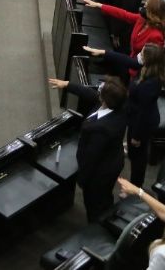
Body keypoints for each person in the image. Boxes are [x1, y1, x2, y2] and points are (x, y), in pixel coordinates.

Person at [47, 76, 127, 221]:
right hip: (113, 160)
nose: (98, 90)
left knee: (94, 205)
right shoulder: (118, 107)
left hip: (100, 173)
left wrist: (82, 180)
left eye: (101, 91)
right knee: (105, 197)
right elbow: (90, 94)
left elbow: (91, 158)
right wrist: (67, 84)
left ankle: (97, 231)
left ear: (105, 100)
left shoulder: (102, 129)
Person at [84, 43, 165, 187]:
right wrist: (102, 51)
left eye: (143, 53)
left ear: (149, 60)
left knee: (138, 157)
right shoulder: (147, 69)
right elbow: (126, 60)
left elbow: (143, 113)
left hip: (142, 124)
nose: (139, 54)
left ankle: (135, 187)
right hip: (135, 116)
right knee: (134, 150)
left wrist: (136, 136)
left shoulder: (150, 84)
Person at [80, 0, 165, 71]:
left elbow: (145, 64)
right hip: (130, 60)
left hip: (139, 71)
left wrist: (104, 53)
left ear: (152, 14)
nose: (142, 9)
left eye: (146, 8)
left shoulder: (156, 36)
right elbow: (123, 14)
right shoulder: (143, 20)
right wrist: (99, 5)